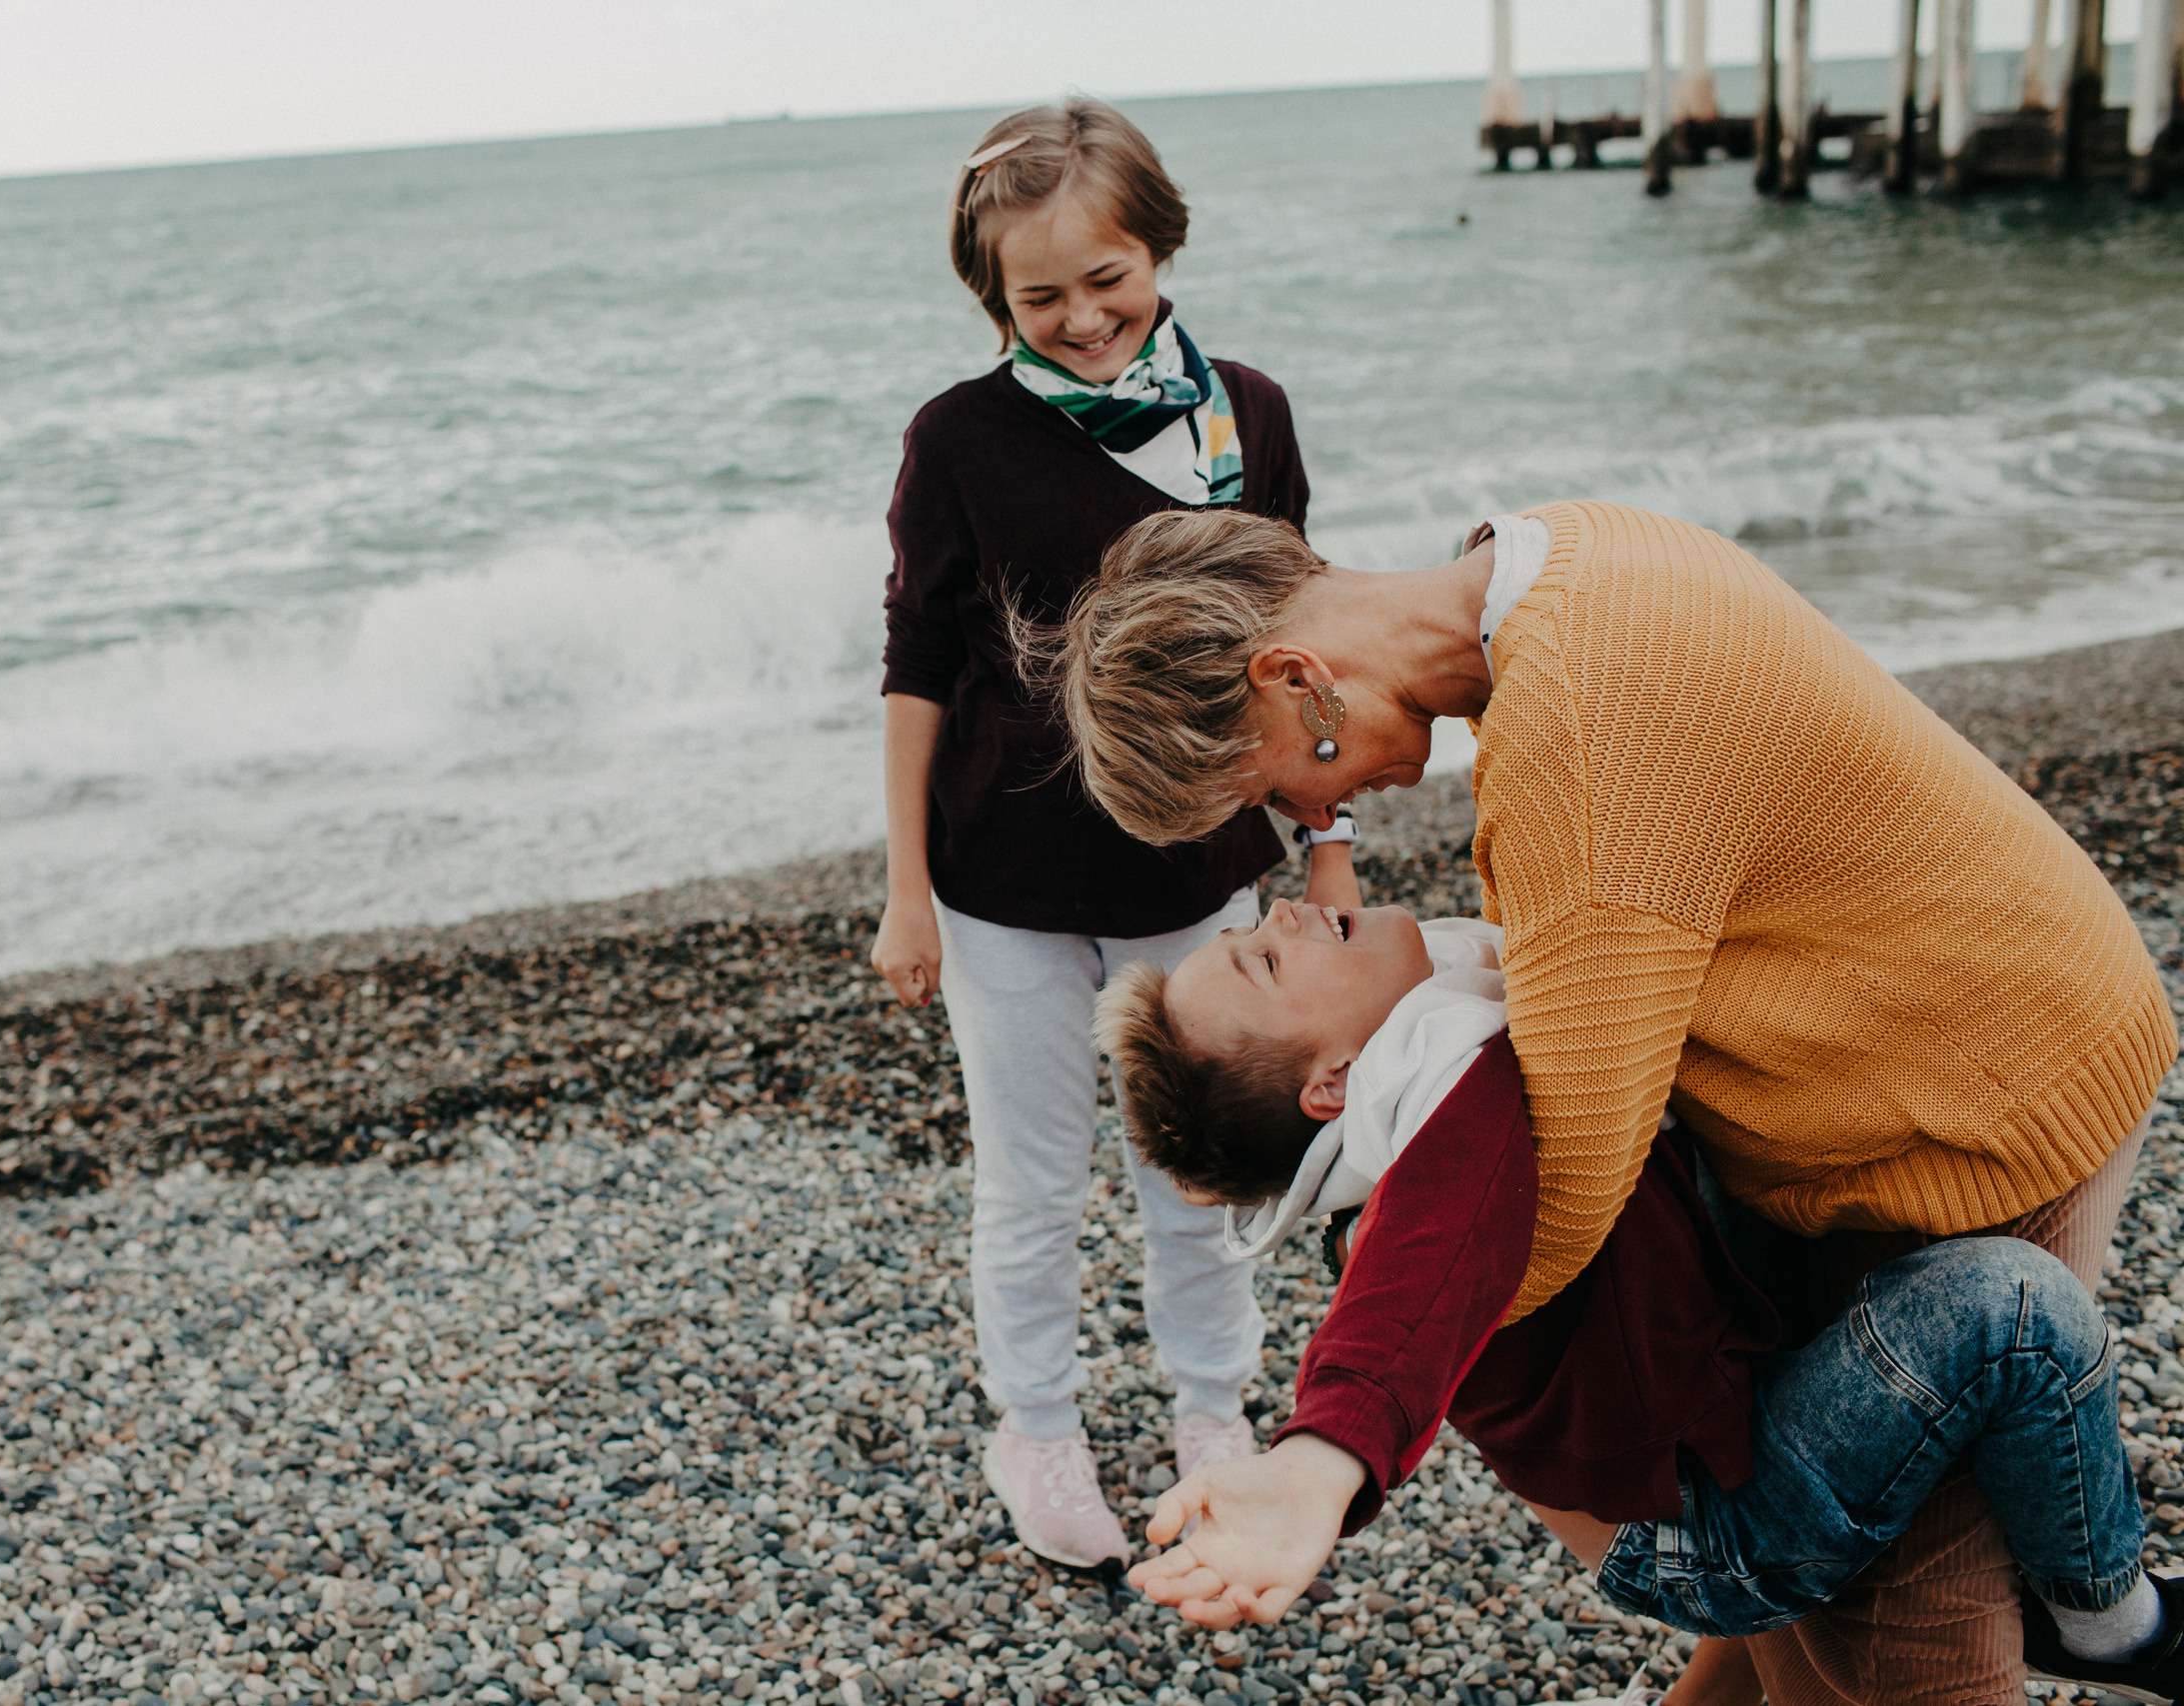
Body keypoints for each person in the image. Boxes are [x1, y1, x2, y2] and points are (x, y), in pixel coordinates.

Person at [1034, 500, 2179, 1700]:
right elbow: (1483, 1170)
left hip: (1976, 1099)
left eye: (1264, 791)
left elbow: (1537, 1183)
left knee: (1910, 1646)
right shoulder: (1557, 564)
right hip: (1958, 1046)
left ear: (1293, 681)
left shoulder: (1578, 741)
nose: (1310, 826)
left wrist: (1363, 1421)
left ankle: (2106, 1627)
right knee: (1815, 1602)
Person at [1096, 896, 2184, 1703]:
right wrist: (1323, 1453)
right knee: (2010, 1311)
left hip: (1689, 1462)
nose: (1282, 914)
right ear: (1334, 1084)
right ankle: (2111, 1626)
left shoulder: (1420, 1038)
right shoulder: (1439, 1118)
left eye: (1253, 929)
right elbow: (1419, 1264)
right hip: (1713, 1528)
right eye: (1264, 961)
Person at [870, 98, 1342, 1569]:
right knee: (1029, 1178)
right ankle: (1036, 1425)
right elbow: (915, 665)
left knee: (1192, 1168)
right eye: (1040, 297)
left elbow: (1304, 644)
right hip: (999, 881)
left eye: (1106, 278)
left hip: (1194, 868)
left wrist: (1326, 841)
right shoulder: (957, 438)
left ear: (1160, 247)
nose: (1080, 318)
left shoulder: (1246, 416)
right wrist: (904, 890)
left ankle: (1213, 1408)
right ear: (992, 296)